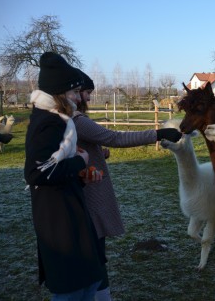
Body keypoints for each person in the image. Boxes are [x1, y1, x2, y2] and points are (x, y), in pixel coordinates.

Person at [73, 70, 182, 300]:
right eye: (85, 93)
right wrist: (157, 134)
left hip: (86, 195)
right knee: (95, 257)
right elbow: (116, 138)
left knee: (95, 254)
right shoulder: (77, 121)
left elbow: (83, 147)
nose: (88, 99)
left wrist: (97, 152)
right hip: (90, 197)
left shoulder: (72, 121)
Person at [24, 52, 105, 300]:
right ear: (60, 93)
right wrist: (79, 161)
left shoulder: (56, 119)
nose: (77, 99)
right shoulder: (49, 122)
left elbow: (53, 167)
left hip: (68, 205)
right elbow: (35, 173)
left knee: (87, 280)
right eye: (73, 93)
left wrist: (80, 176)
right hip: (58, 215)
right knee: (74, 286)